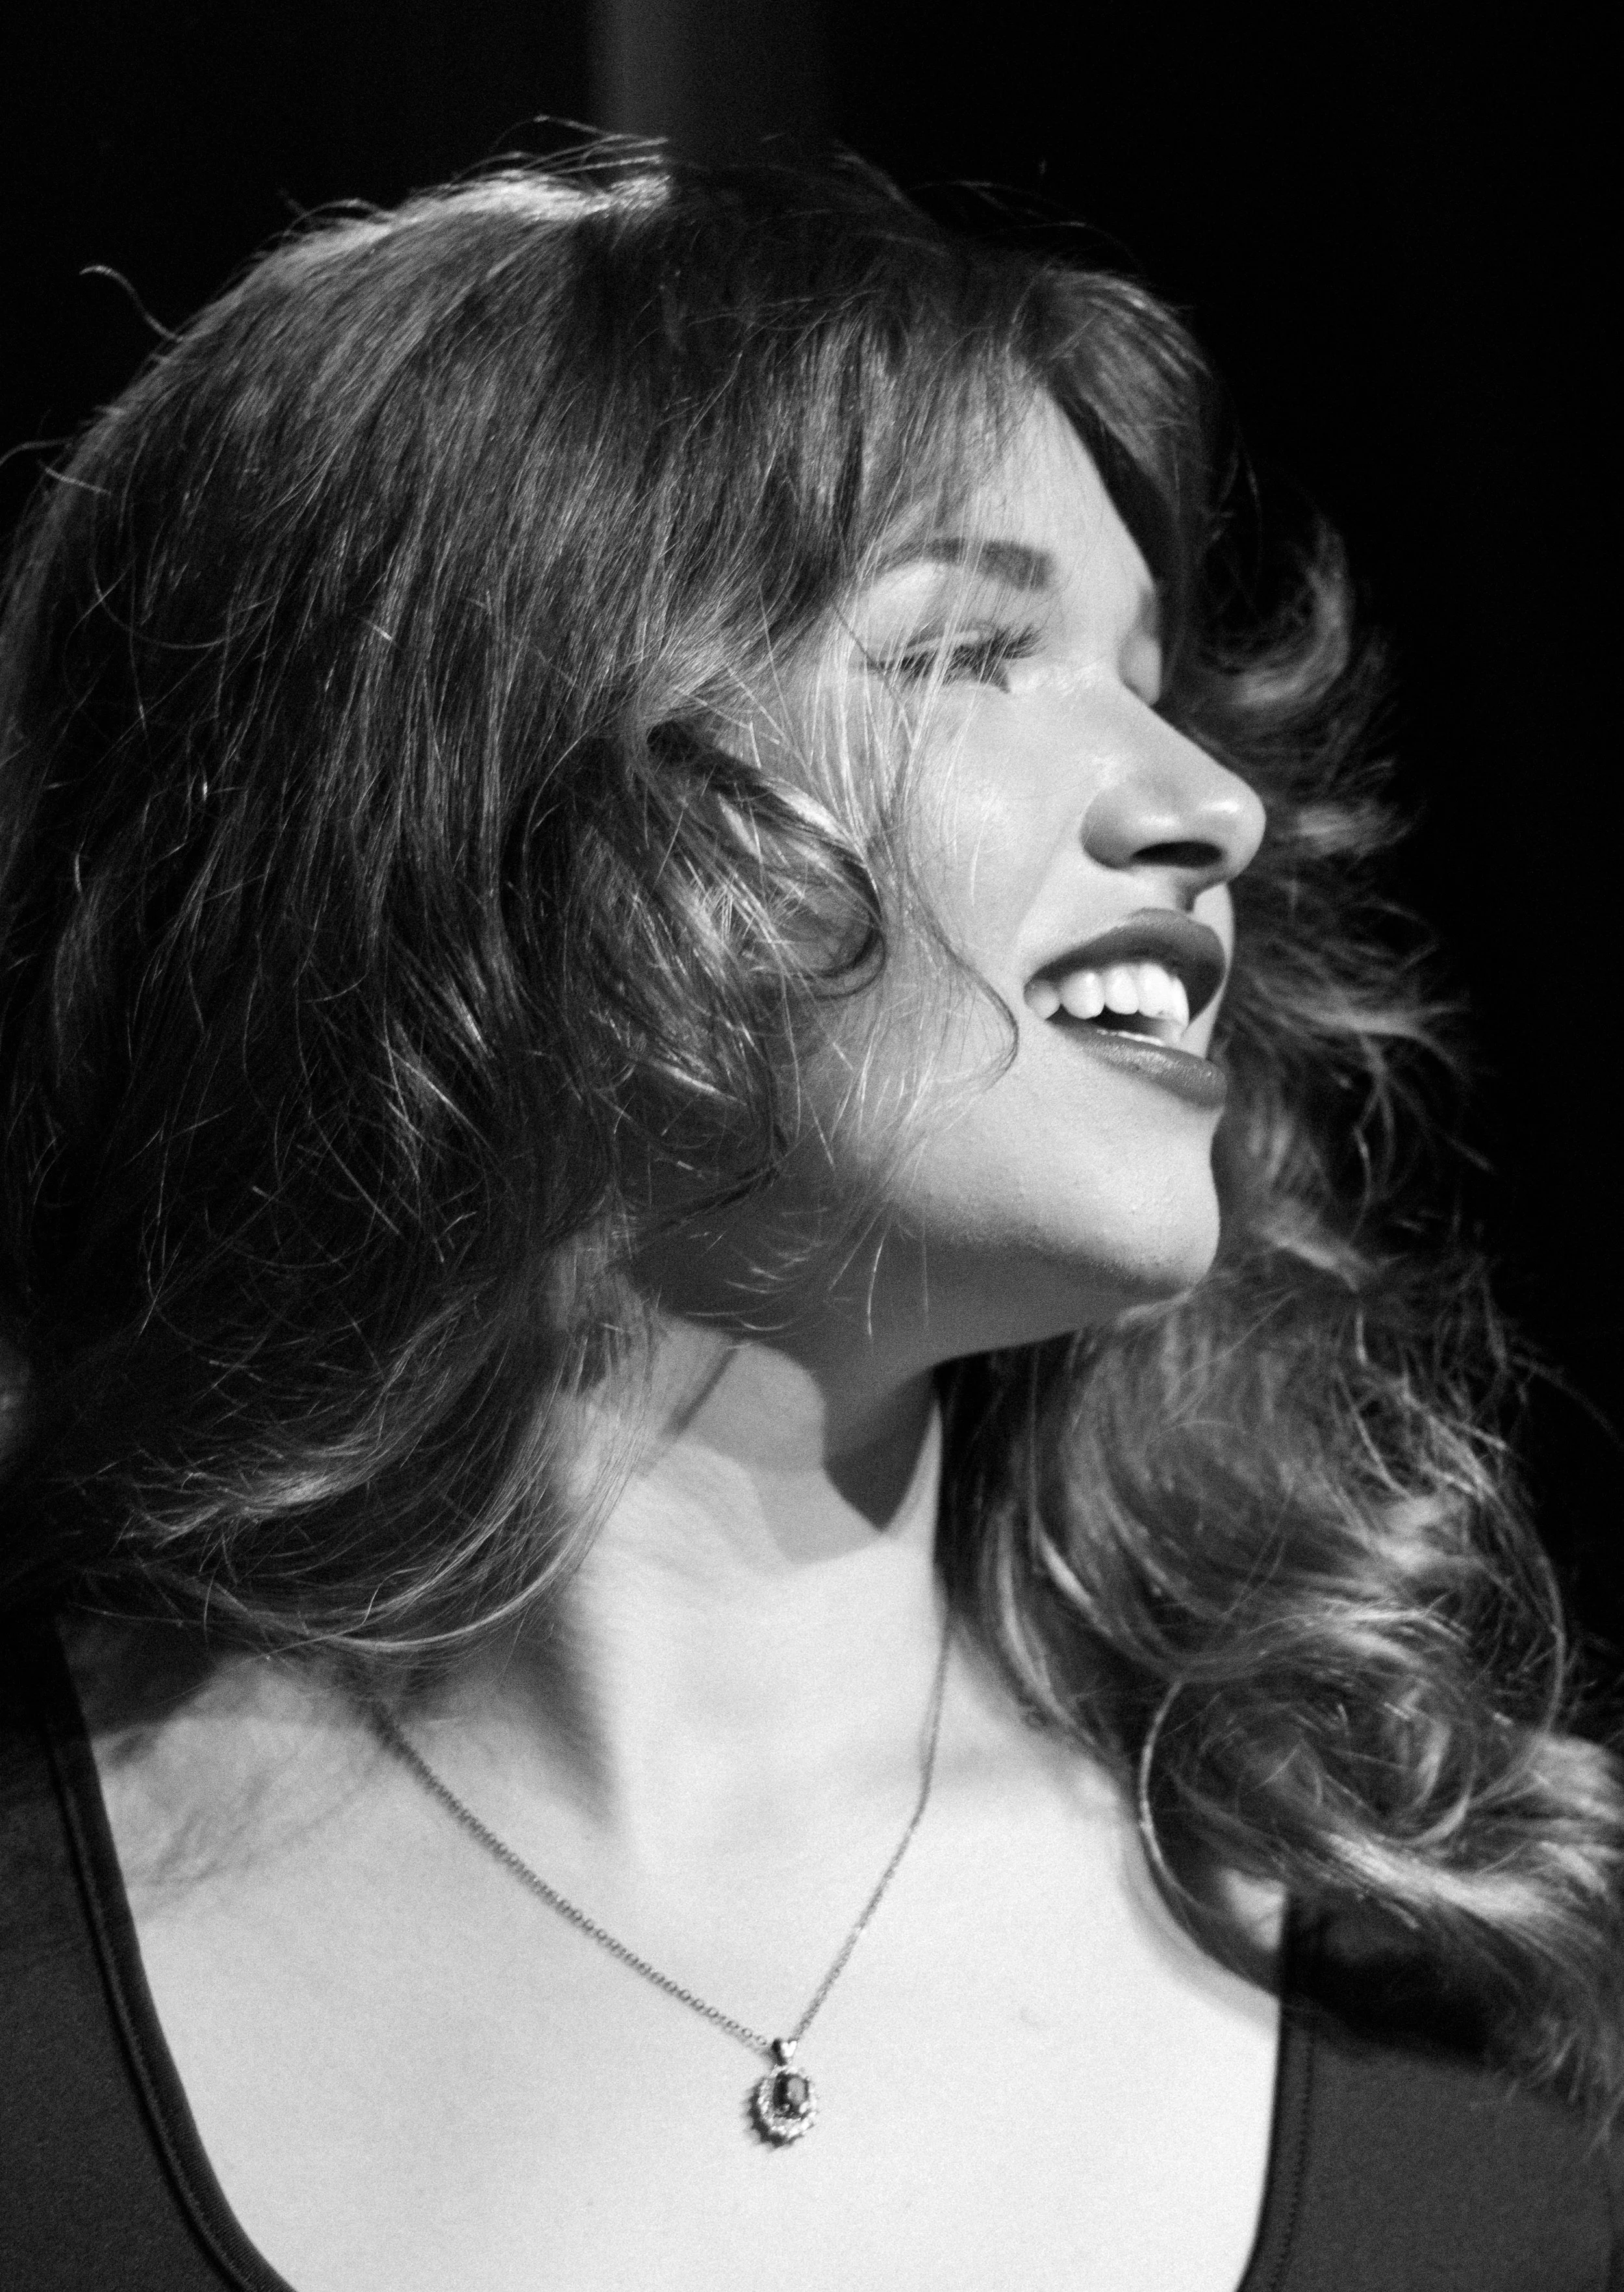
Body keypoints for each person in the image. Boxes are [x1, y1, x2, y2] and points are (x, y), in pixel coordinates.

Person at [1, 152, 1619, 2292]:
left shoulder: (1472, 1973)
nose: (1204, 806)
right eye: (970, 650)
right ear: (505, 806)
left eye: (1148, 676)